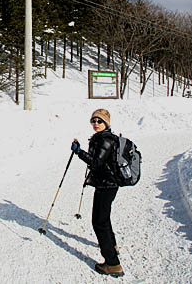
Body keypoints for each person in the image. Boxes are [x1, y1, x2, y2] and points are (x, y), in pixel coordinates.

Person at [71, 108, 124, 277]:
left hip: (106, 185)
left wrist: (79, 152)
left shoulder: (106, 140)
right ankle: (113, 246)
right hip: (107, 184)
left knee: (98, 222)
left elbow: (96, 163)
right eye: (93, 120)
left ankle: (112, 264)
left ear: (106, 123)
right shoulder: (101, 138)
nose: (96, 123)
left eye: (99, 121)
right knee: (104, 218)